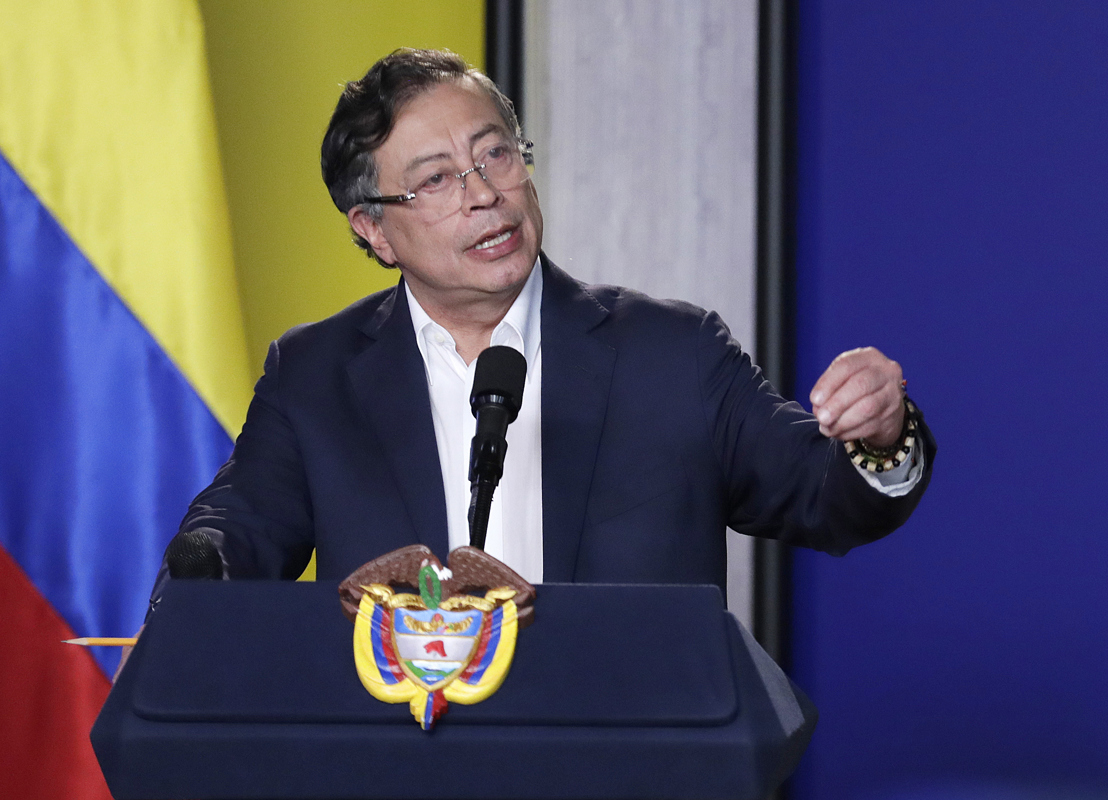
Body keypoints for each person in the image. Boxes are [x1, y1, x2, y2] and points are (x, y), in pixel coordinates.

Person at [151, 48, 934, 605]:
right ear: (374, 231)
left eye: (495, 157)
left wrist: (880, 436)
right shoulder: (316, 373)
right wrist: (203, 568)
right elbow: (237, 528)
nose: (484, 194)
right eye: (436, 181)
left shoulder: (672, 352)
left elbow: (820, 494)